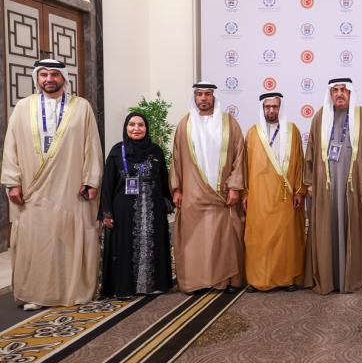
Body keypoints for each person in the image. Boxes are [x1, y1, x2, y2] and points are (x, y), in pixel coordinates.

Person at [1, 58, 103, 310]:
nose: (49, 79)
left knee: (67, 238)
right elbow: (11, 147)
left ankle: (72, 290)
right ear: (37, 78)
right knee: (37, 241)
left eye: (54, 74)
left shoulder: (81, 107)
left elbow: (91, 145)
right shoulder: (23, 107)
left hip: (70, 186)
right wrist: (12, 182)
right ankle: (36, 294)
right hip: (32, 188)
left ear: (64, 78)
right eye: (44, 74)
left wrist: (91, 180)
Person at [170, 82, 246, 294]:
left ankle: (225, 281)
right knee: (195, 241)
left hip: (222, 195)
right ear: (194, 98)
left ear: (214, 97)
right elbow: (176, 160)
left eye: (207, 94)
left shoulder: (229, 123)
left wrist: (235, 187)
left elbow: (239, 157)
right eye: (199, 94)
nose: (203, 98)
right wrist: (176, 189)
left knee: (223, 239)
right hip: (193, 195)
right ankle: (196, 282)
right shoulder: (185, 124)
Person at [304, 78, 362, 294]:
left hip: (353, 184)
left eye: (343, 90)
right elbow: (310, 151)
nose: (339, 94)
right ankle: (328, 278)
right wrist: (309, 182)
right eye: (335, 90)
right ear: (330, 94)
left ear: (350, 93)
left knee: (351, 225)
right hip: (325, 185)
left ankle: (352, 278)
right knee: (327, 227)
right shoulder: (320, 117)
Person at [99, 112, 173, 297]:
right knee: (125, 246)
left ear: (146, 128)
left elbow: (164, 179)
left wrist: (168, 201)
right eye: (132, 124)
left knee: (153, 243)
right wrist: (106, 212)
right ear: (126, 127)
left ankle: (153, 285)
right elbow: (107, 184)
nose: (136, 129)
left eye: (141, 125)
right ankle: (125, 287)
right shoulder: (117, 152)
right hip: (124, 209)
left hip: (152, 208)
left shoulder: (156, 151)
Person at [243, 92, 307, 292]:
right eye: (267, 107)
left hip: (285, 196)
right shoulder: (253, 133)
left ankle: (286, 279)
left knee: (285, 238)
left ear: (280, 108)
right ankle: (257, 279)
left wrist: (299, 191)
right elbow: (245, 167)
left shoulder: (292, 131)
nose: (271, 110)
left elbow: (299, 163)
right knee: (259, 237)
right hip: (259, 196)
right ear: (262, 109)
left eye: (275, 107)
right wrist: (245, 193)